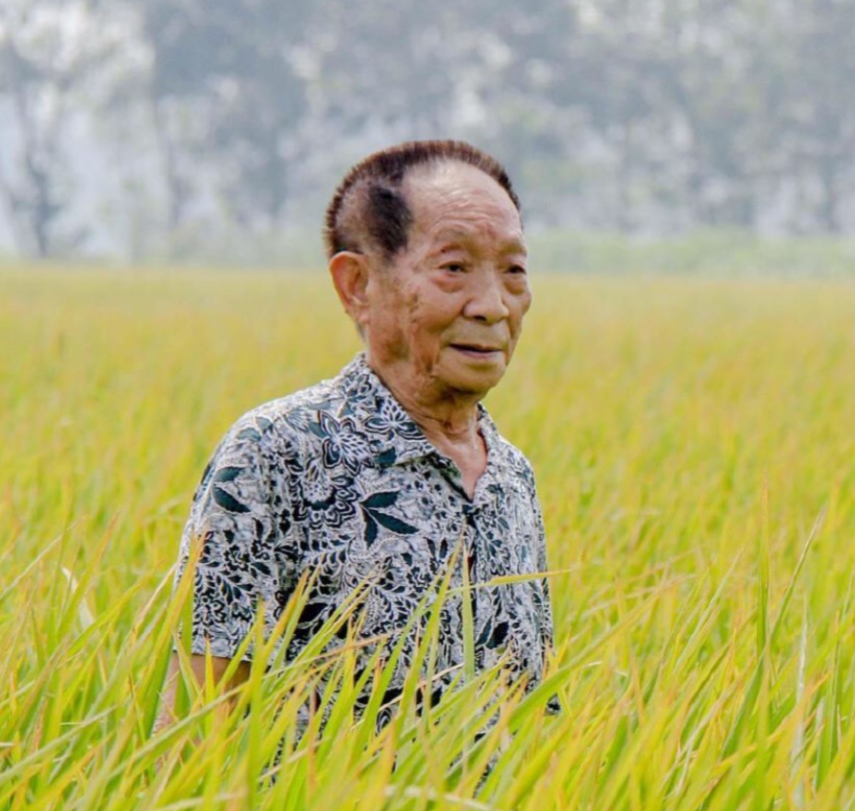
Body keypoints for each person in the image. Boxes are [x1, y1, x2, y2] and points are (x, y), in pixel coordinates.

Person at [159, 139, 557, 740]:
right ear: (358, 286)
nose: (493, 306)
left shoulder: (510, 476)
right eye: (454, 268)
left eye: (513, 271)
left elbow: (534, 714)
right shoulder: (276, 454)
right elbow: (198, 723)